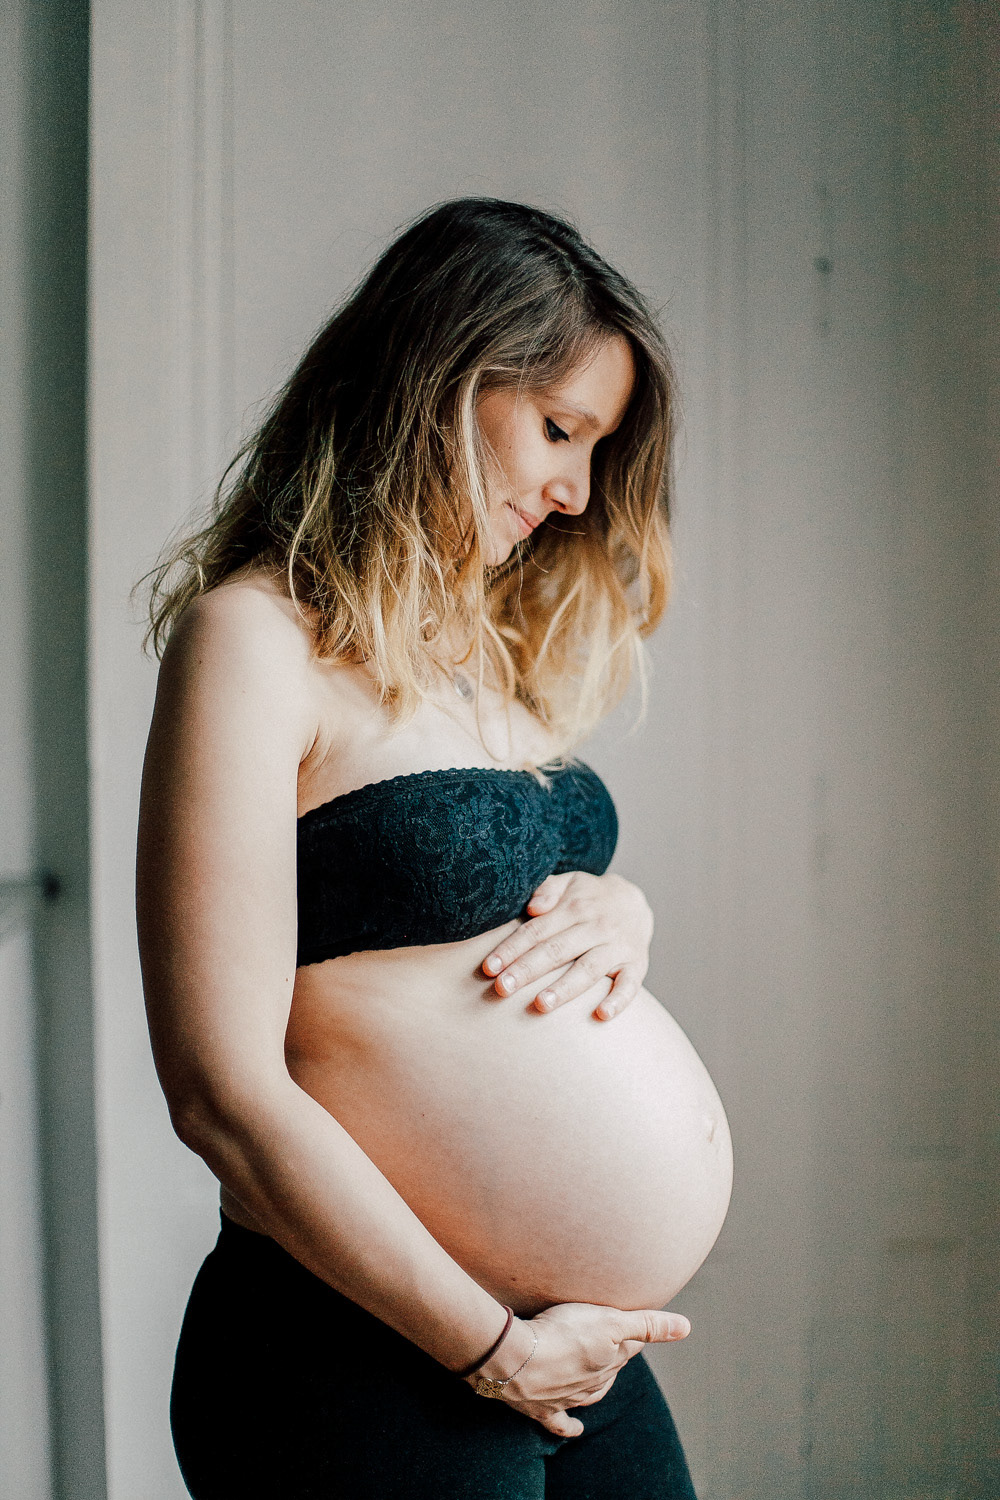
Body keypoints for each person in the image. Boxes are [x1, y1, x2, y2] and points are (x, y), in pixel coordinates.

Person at [135, 197, 732, 1500]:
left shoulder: (478, 657)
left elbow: (472, 916)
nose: (577, 488)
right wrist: (489, 1352)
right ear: (435, 387)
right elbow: (221, 1094)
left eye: (598, 447)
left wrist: (618, 910)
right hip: (366, 1339)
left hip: (563, 1347)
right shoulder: (254, 640)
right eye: (560, 429)